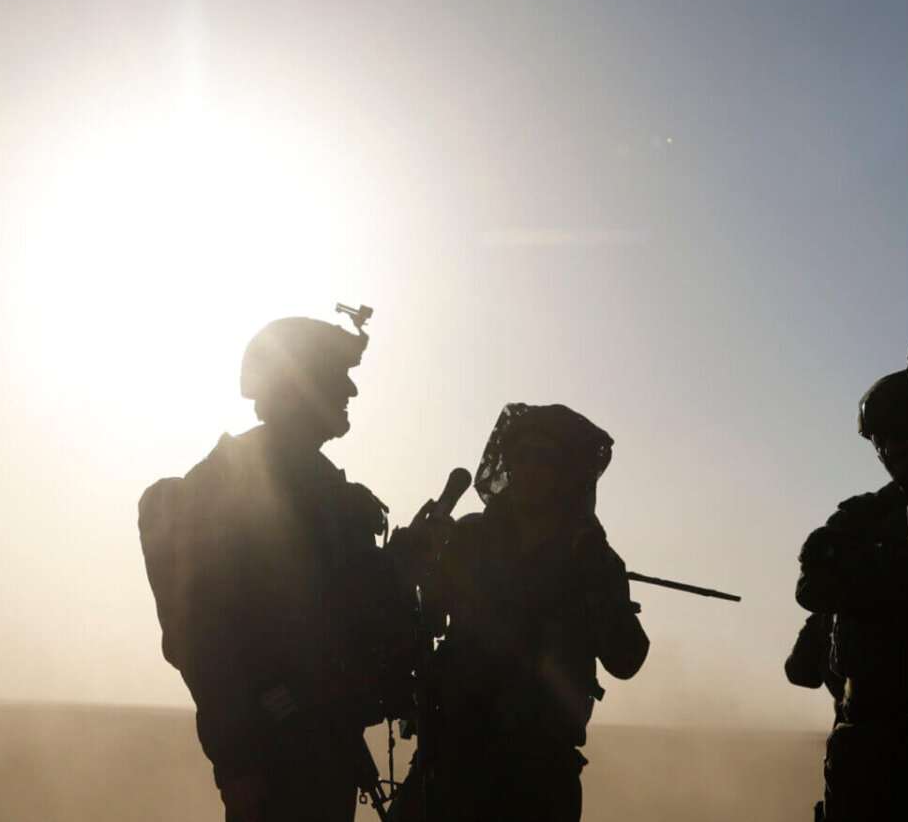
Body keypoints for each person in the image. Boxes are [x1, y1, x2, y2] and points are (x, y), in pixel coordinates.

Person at [140, 314, 422, 822]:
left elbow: (347, 609)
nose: (351, 391)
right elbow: (204, 643)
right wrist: (239, 767)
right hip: (274, 760)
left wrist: (403, 566)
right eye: (336, 377)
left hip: (327, 745)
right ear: (296, 386)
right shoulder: (226, 485)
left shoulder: (328, 492)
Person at [404, 404, 649, 822]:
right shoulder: (470, 538)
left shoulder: (592, 556)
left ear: (568, 473)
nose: (530, 468)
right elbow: (423, 623)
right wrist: (416, 562)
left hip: (538, 776)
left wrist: (595, 580)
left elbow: (627, 660)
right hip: (450, 759)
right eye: (521, 456)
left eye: (546, 458)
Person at [790, 370, 908, 822]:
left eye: (902, 433)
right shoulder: (862, 518)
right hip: (868, 755)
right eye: (879, 439)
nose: (890, 449)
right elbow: (804, 649)